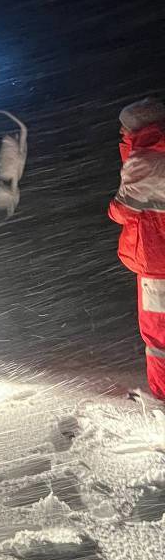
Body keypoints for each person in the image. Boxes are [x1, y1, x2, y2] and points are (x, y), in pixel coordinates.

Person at [109, 97, 165, 400]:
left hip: (157, 262)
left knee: (158, 333)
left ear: (140, 127)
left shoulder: (144, 161)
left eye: (125, 126)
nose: (121, 131)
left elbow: (121, 211)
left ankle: (162, 394)